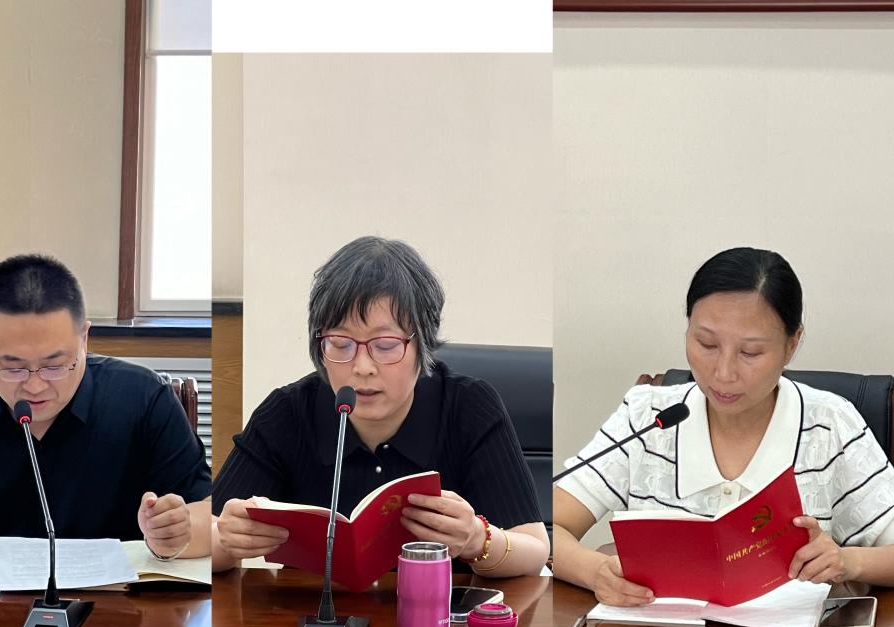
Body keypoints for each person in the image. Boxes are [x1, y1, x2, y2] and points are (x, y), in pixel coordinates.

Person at [554, 247, 894, 606]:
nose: (723, 373)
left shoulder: (830, 425)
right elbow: (552, 524)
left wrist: (848, 561)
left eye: (750, 353)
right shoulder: (646, 416)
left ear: (792, 345)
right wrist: (595, 572)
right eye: (707, 344)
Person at [212, 236, 550, 577]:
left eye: (385, 345)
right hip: (312, 609)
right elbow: (210, 533)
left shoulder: (469, 408)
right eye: (341, 343)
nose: (362, 367)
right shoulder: (286, 414)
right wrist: (226, 539)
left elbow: (535, 549)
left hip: (441, 609)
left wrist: (478, 539)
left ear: (422, 343)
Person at [0, 254, 211, 572]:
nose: (34, 387)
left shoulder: (143, 400)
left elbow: (208, 515)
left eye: (55, 365)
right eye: (12, 367)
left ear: (84, 338)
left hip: (117, 604)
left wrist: (177, 533)